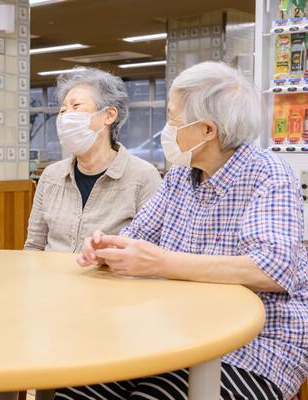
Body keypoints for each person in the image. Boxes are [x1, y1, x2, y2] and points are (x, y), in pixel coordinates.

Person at [63, 62, 308, 400]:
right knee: (75, 386)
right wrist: (108, 248)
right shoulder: (181, 175)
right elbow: (139, 236)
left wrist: (161, 263)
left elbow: (274, 269)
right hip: (174, 330)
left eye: (174, 120)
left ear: (207, 130)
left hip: (254, 346)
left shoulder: (268, 174)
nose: (167, 129)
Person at [24, 67, 162, 252]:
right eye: (63, 109)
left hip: (110, 279)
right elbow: (34, 245)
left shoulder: (143, 177)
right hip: (52, 279)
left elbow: (150, 252)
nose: (65, 116)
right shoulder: (51, 176)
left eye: (76, 106)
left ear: (109, 115)